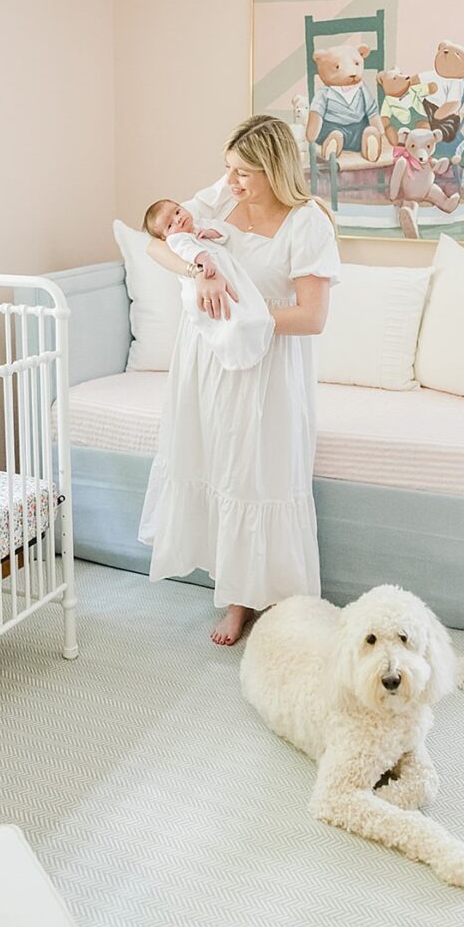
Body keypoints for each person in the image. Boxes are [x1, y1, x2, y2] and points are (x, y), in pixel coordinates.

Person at [138, 113, 341, 648]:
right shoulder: (221, 198)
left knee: (259, 477)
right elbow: (158, 243)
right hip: (207, 361)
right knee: (221, 468)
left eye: (244, 173)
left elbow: (313, 317)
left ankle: (269, 602)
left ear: (274, 170)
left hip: (267, 366)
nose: (231, 182)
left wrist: (243, 316)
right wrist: (199, 271)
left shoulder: (308, 222)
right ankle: (234, 600)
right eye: (229, 168)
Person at [141, 196, 273, 372]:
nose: (178, 219)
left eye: (178, 211)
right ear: (164, 237)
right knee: (221, 315)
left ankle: (248, 337)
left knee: (241, 305)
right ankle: (232, 350)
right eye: (170, 225)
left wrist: (211, 232)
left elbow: (225, 233)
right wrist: (203, 261)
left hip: (224, 273)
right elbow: (188, 250)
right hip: (200, 281)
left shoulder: (200, 225)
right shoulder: (177, 239)